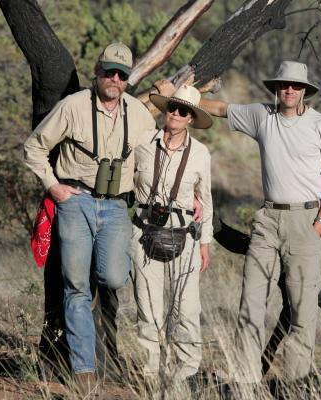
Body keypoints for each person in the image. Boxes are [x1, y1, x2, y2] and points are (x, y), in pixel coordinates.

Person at [24, 42, 158, 389]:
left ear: (127, 80)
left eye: (122, 74)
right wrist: (54, 187)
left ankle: (90, 338)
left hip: (116, 207)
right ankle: (83, 370)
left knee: (113, 277)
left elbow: (156, 158)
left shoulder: (139, 113)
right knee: (76, 285)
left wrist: (195, 194)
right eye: (109, 71)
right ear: (97, 71)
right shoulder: (73, 107)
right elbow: (34, 147)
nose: (114, 78)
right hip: (76, 202)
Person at [199, 61, 321, 384]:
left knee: (302, 307)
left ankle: (297, 382)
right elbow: (220, 109)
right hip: (267, 218)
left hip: (307, 219)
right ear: (276, 88)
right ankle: (245, 379)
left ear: (305, 90)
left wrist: (320, 223)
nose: (288, 90)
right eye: (283, 85)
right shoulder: (263, 115)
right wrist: (182, 97)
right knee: (251, 298)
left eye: (295, 85)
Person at [131, 85, 213, 381]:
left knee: (186, 308)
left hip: (186, 235)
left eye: (184, 111)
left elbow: (207, 199)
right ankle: (150, 372)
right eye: (172, 108)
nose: (176, 114)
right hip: (143, 231)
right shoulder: (143, 142)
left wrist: (205, 242)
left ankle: (185, 372)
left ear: (191, 118)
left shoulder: (201, 153)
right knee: (148, 307)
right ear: (165, 110)